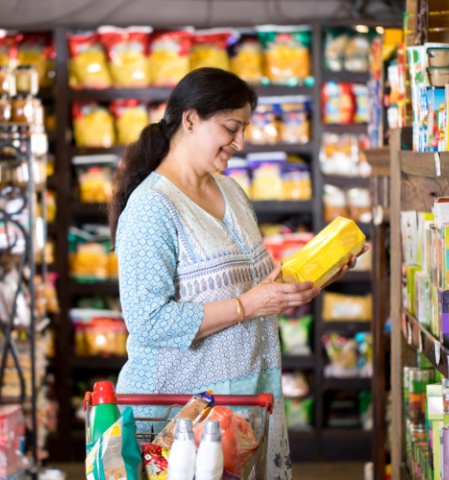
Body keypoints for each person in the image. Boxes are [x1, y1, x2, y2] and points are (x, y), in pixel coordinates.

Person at [109, 67, 368, 479]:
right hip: (181, 415)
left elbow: (259, 290)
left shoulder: (231, 191)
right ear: (190, 120)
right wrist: (247, 306)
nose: (241, 142)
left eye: (244, 128)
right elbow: (147, 320)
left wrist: (319, 274)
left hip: (244, 403)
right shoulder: (151, 208)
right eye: (232, 127)